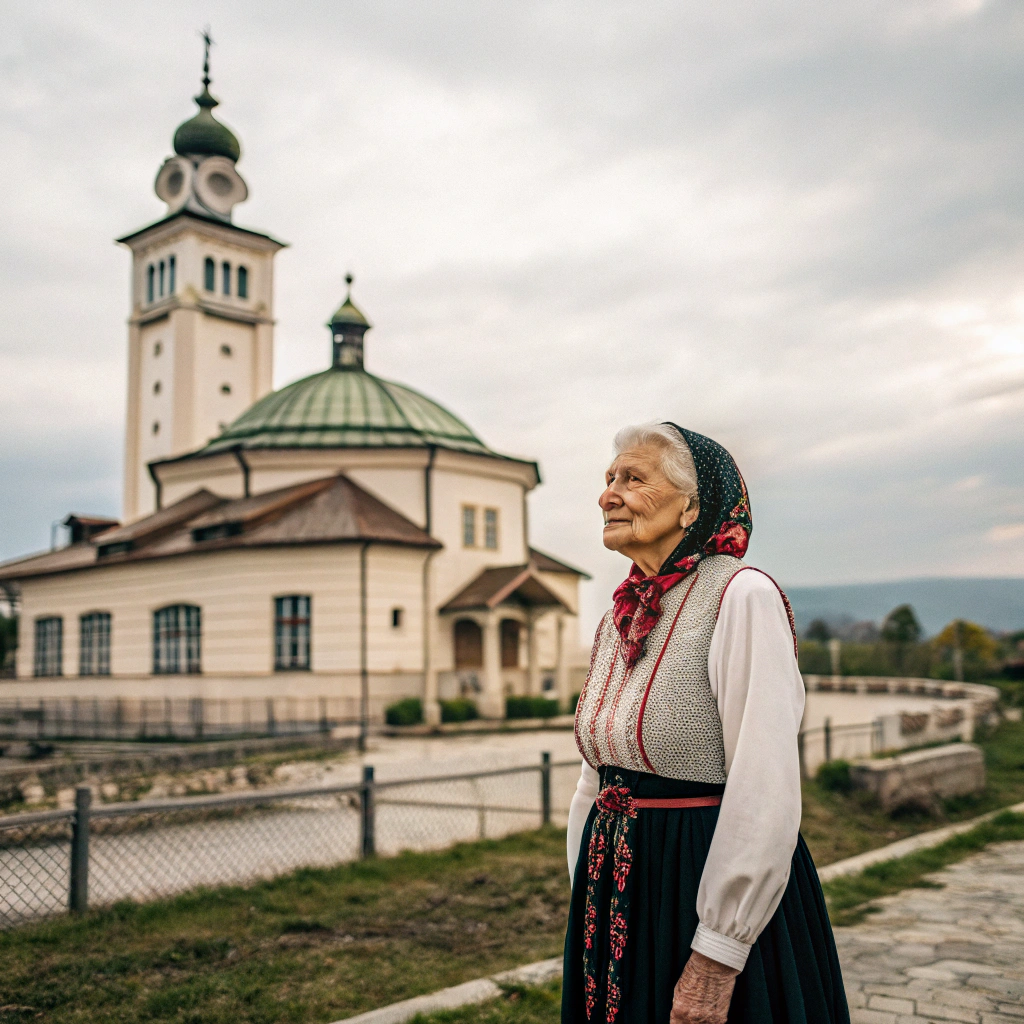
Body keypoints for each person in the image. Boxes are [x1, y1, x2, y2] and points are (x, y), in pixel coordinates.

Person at [561, 423, 849, 1024]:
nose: (607, 494)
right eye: (608, 479)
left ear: (691, 504)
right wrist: (585, 883)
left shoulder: (740, 596)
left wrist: (720, 950)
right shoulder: (625, 611)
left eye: (632, 478)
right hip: (620, 886)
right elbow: (597, 776)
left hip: (700, 876)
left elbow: (763, 785)